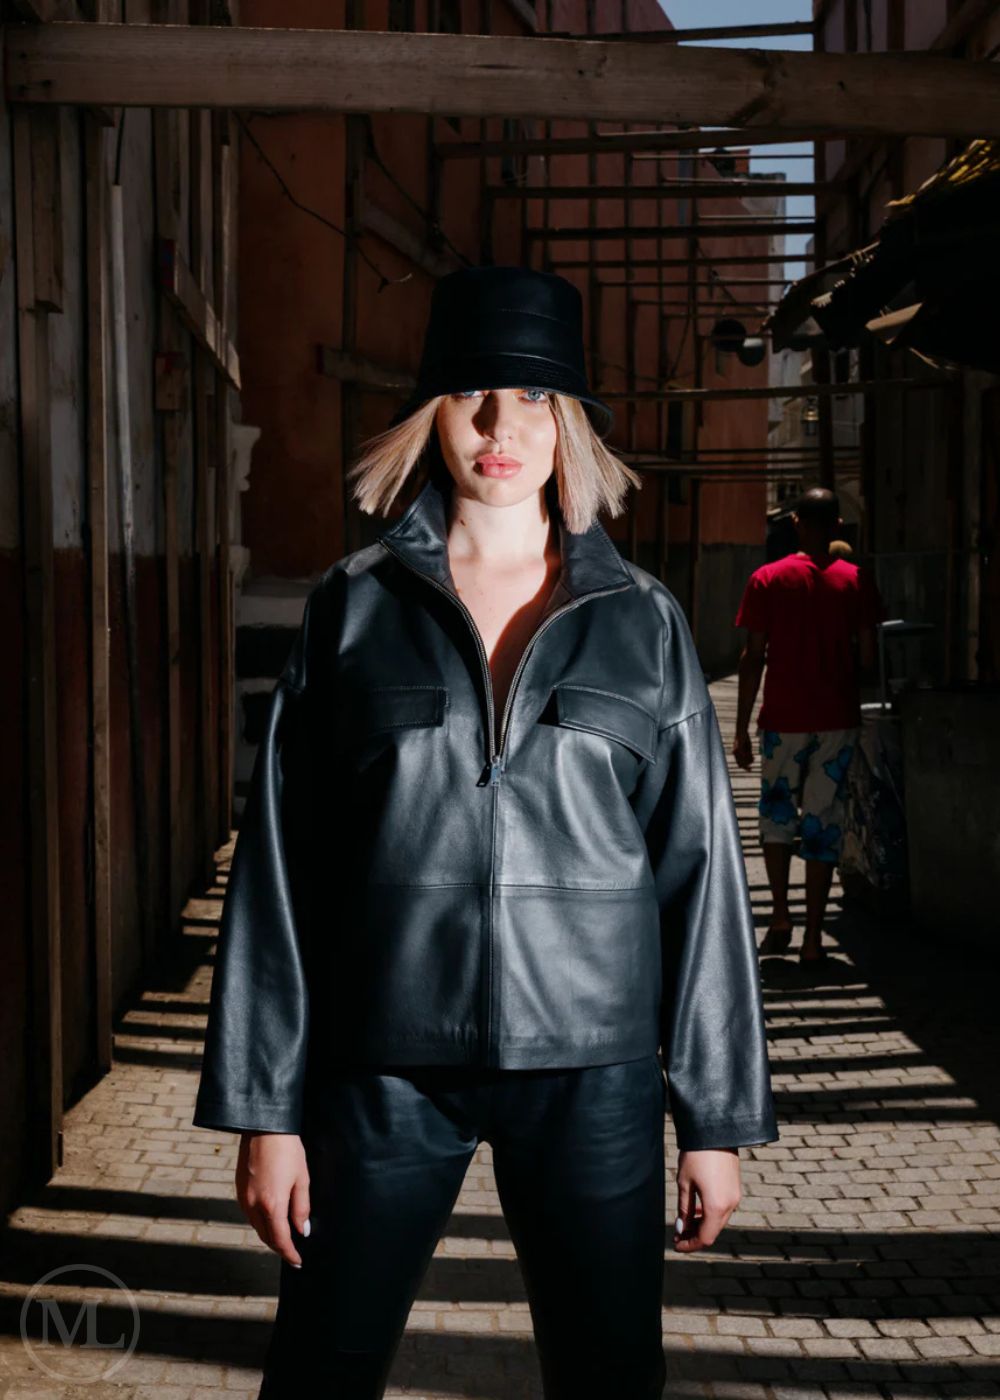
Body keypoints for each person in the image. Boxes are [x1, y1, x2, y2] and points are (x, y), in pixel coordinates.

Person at [193, 265, 778, 1399]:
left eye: (534, 396)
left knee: (607, 1376)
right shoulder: (352, 606)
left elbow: (701, 878)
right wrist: (266, 1111)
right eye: (471, 393)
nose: (501, 424)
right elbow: (278, 869)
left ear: (571, 425)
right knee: (319, 1367)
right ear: (430, 416)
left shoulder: (642, 621)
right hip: (381, 1065)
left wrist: (714, 1117)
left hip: (594, 1069)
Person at [732, 488, 884, 964]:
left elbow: (753, 656)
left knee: (777, 820)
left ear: (796, 523)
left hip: (783, 719)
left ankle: (780, 915)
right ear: (838, 527)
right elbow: (867, 657)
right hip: (836, 720)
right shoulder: (857, 581)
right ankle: (815, 939)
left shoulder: (766, 580)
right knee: (824, 823)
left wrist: (740, 727)